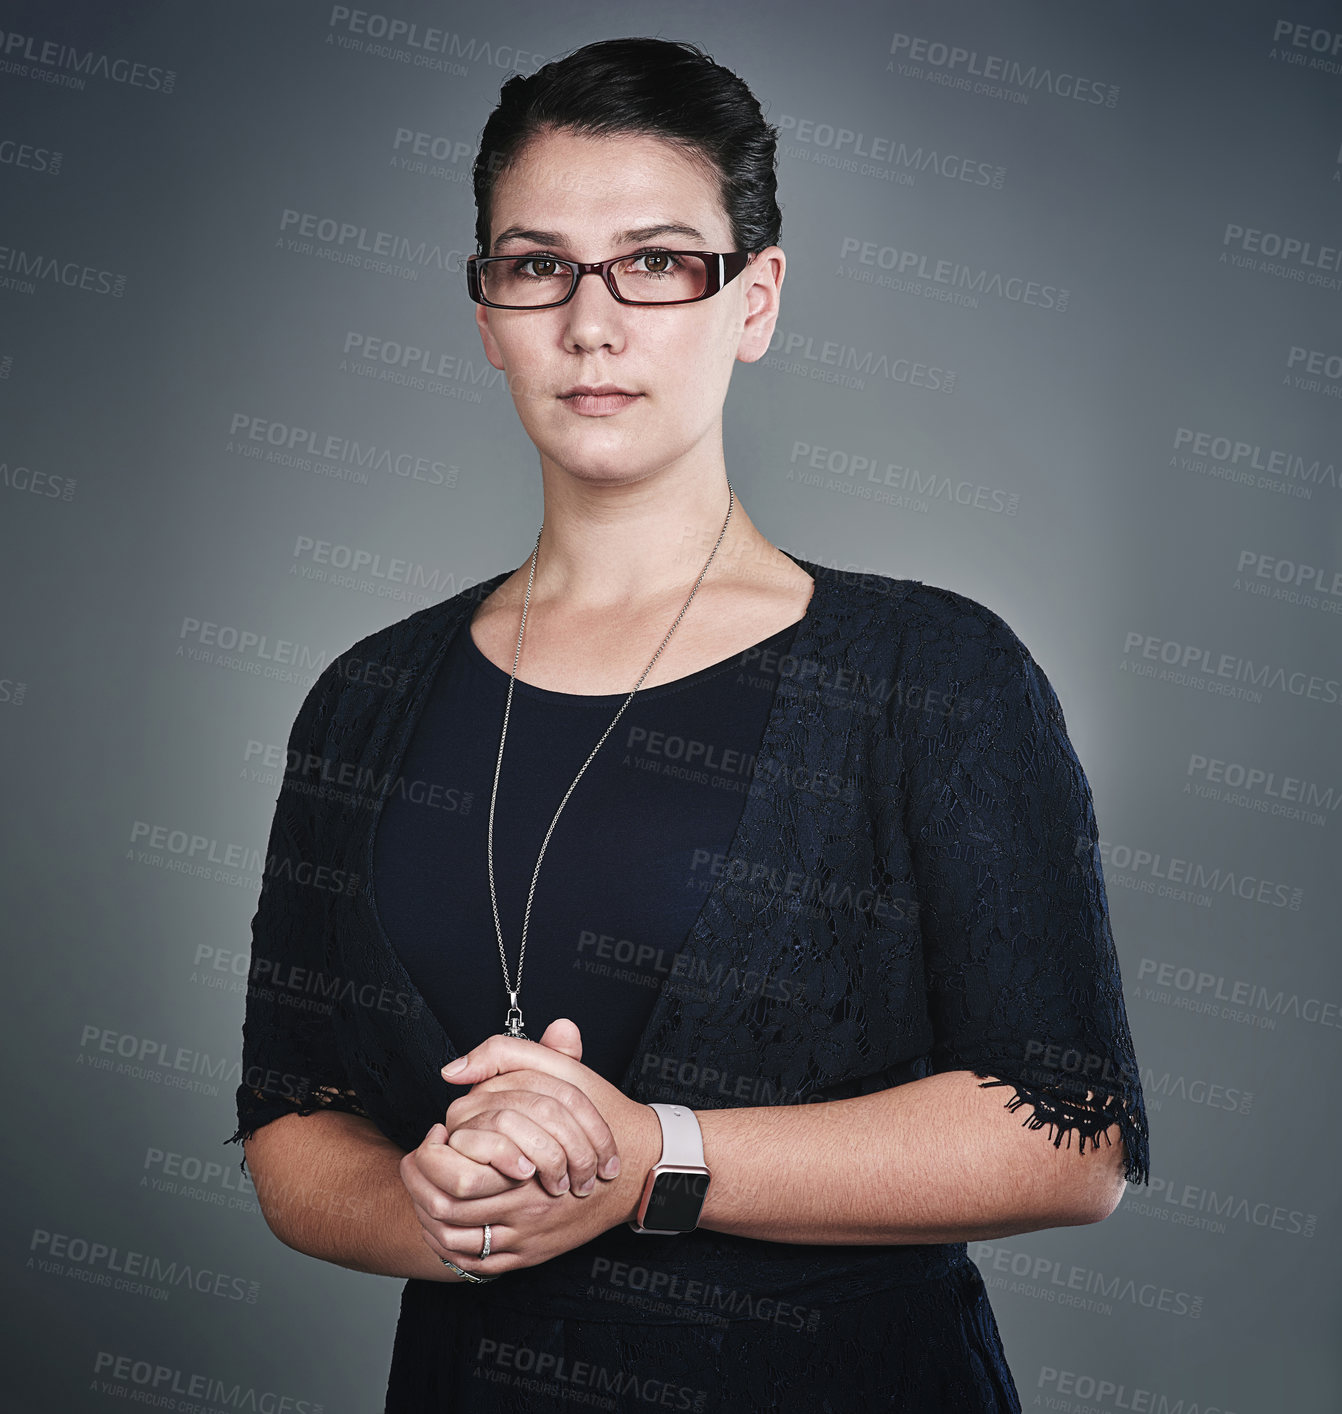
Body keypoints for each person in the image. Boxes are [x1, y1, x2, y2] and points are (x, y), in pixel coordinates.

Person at [226, 36, 1149, 1412]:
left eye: (655, 261)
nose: (590, 322)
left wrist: (651, 1156)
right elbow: (291, 1124)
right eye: (535, 265)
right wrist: (437, 1210)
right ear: (484, 313)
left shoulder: (934, 673)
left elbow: (1070, 1141)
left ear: (753, 298)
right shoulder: (363, 696)